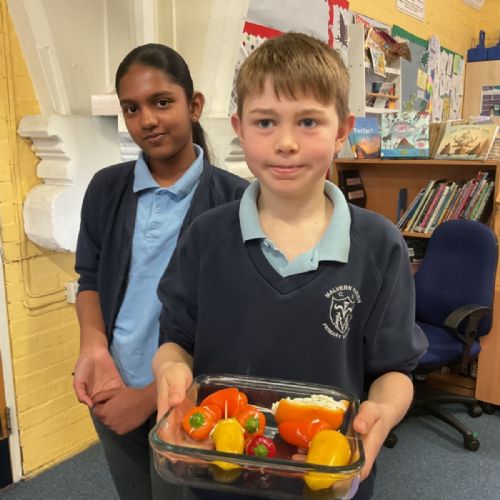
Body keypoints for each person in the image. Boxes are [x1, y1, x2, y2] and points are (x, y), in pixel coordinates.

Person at [153, 32, 427, 500]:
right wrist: (171, 372)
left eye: (308, 121)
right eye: (264, 122)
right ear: (239, 129)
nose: (285, 143)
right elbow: (176, 341)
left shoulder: (380, 246)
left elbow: (395, 370)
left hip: (324, 476)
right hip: (219, 473)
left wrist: (382, 412)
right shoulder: (206, 235)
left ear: (342, 130)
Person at [72, 43, 248, 500]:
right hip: (112, 387)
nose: (147, 120)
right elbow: (89, 277)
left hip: (191, 398)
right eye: (132, 108)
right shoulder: (106, 189)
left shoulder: (236, 203)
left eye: (162, 102)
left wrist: (148, 397)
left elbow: (238, 326)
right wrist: (94, 349)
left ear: (195, 105)